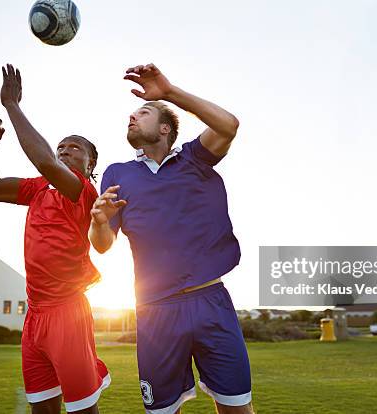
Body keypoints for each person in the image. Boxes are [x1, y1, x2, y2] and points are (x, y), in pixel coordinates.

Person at [89, 63, 253, 414]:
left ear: (165, 128)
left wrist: (169, 93)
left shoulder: (195, 158)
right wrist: (99, 222)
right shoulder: (118, 173)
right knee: (163, 411)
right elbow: (102, 244)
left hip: (210, 301)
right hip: (155, 310)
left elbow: (229, 125)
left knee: (237, 407)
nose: (132, 117)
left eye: (143, 112)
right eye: (131, 115)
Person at [0, 64, 110, 414]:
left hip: (68, 313)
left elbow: (46, 161)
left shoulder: (82, 189)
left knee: (82, 409)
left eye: (74, 148)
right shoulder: (38, 189)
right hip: (34, 316)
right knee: (41, 408)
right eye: (61, 146)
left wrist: (12, 105)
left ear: (90, 163)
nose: (65, 150)